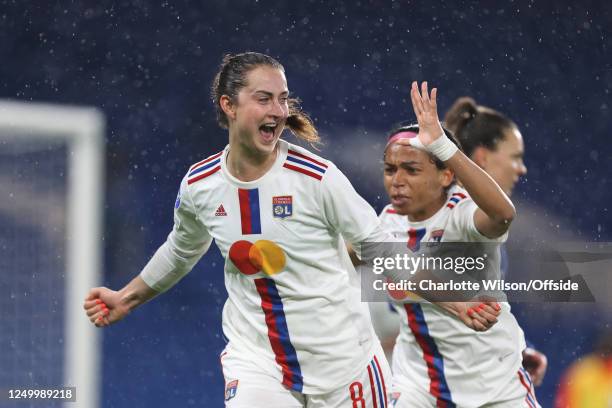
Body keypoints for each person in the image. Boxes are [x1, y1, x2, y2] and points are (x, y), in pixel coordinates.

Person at [82, 52, 495, 407]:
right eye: (264, 99)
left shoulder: (317, 178)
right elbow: (181, 249)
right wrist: (126, 297)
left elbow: (379, 248)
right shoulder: (200, 185)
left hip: (344, 366)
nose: (278, 111)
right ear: (229, 105)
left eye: (282, 100)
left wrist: (456, 302)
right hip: (259, 362)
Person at [378, 82, 540, 407]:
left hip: (496, 386)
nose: (397, 179)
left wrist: (442, 143)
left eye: (410, 169)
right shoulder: (386, 222)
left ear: (445, 176)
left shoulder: (462, 214)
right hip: (420, 386)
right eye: (390, 169)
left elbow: (503, 214)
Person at [444, 97, 548, 387]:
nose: (521, 168)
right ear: (483, 157)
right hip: (441, 381)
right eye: (515, 156)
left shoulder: (480, 224)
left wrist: (516, 349)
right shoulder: (448, 216)